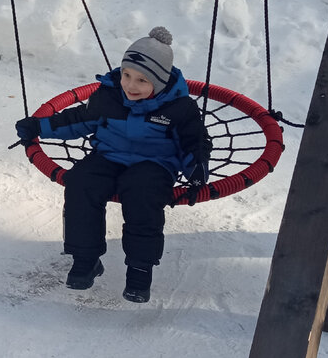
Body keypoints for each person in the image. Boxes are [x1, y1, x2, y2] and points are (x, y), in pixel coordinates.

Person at [13, 27, 210, 303]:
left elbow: (195, 142)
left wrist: (197, 168)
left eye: (142, 80)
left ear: (162, 82)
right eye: (127, 75)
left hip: (154, 164)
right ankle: (86, 258)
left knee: (143, 194)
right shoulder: (110, 96)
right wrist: (39, 126)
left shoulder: (179, 108)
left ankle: (140, 269)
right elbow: (78, 120)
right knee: (80, 182)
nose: (130, 86)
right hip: (109, 156)